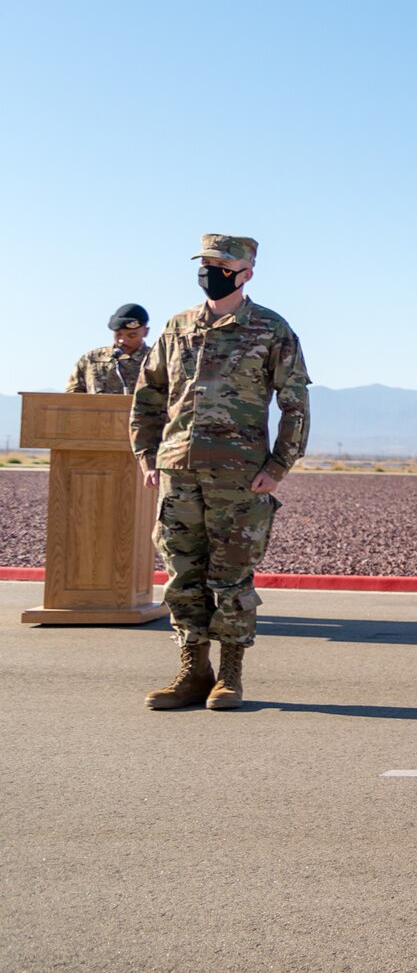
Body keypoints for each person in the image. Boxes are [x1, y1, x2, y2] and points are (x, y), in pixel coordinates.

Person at [131, 235, 311, 711]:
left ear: (246, 272)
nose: (210, 271)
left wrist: (278, 466)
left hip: (240, 475)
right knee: (181, 574)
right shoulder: (177, 326)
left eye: (222, 264)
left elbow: (295, 404)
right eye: (206, 263)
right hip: (178, 471)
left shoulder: (271, 328)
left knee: (231, 576)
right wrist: (148, 457)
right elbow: (148, 397)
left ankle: (229, 675)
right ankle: (193, 670)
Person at [64, 304, 151, 394]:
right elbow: (72, 395)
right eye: (118, 334)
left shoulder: (155, 360)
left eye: (131, 335)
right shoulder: (91, 359)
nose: (123, 340)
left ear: (146, 332)